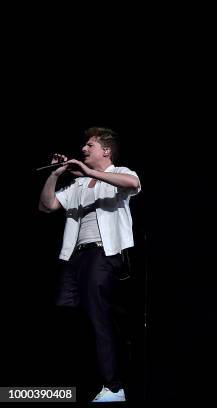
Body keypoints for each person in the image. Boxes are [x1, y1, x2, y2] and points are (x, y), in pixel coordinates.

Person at [38, 127, 141, 403]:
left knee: (98, 316)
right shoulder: (80, 185)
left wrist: (87, 171)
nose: (83, 149)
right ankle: (88, 378)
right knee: (68, 312)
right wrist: (55, 173)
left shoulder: (121, 172)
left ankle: (114, 387)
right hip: (75, 256)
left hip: (103, 254)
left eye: (89, 145)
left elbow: (132, 185)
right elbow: (47, 206)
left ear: (105, 151)